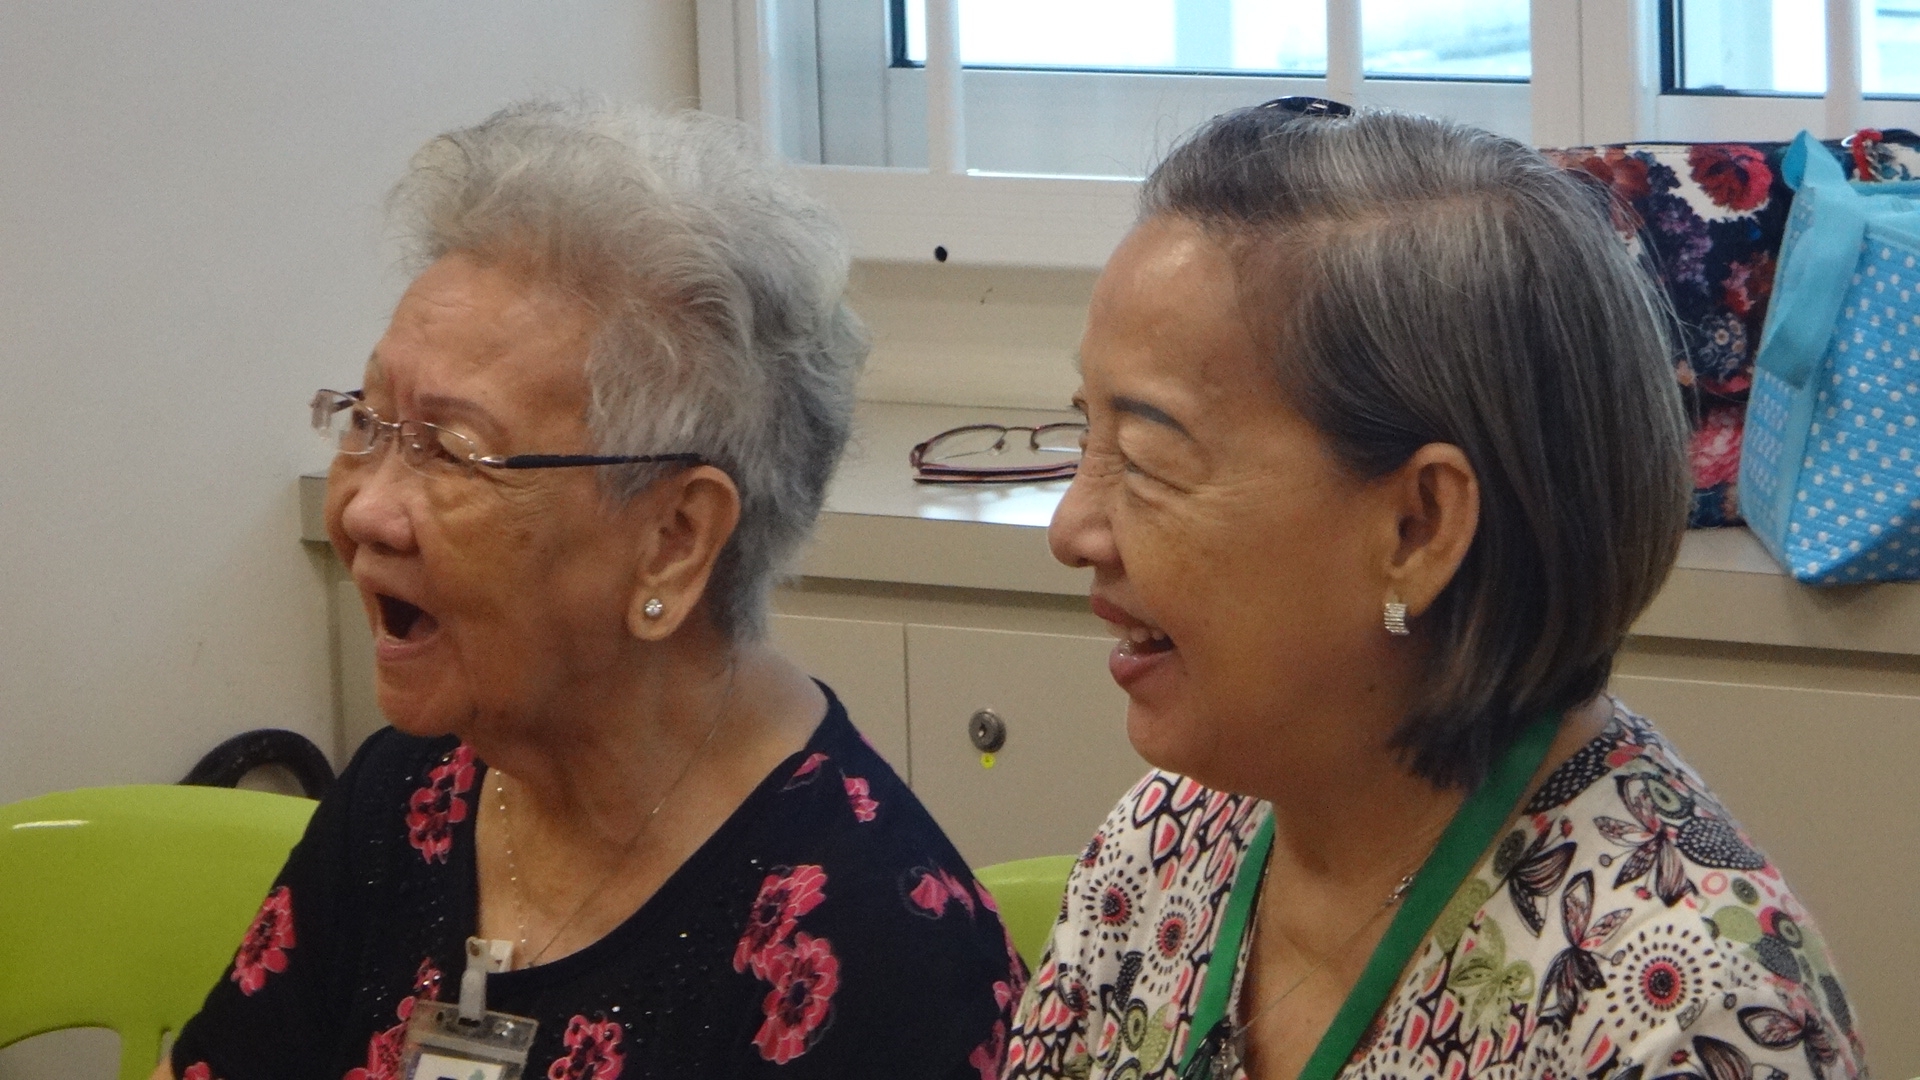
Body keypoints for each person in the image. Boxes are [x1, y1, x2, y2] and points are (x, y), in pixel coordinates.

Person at [162, 101, 1022, 1080]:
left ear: (672, 542)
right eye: (368, 421)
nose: (364, 510)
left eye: (453, 448)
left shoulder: (877, 954)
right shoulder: (406, 797)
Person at [1003, 101, 1862, 1080]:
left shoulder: (1685, 1012)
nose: (1072, 529)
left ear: (1418, 528)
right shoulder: (1170, 839)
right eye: (1086, 433)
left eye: (1148, 458)